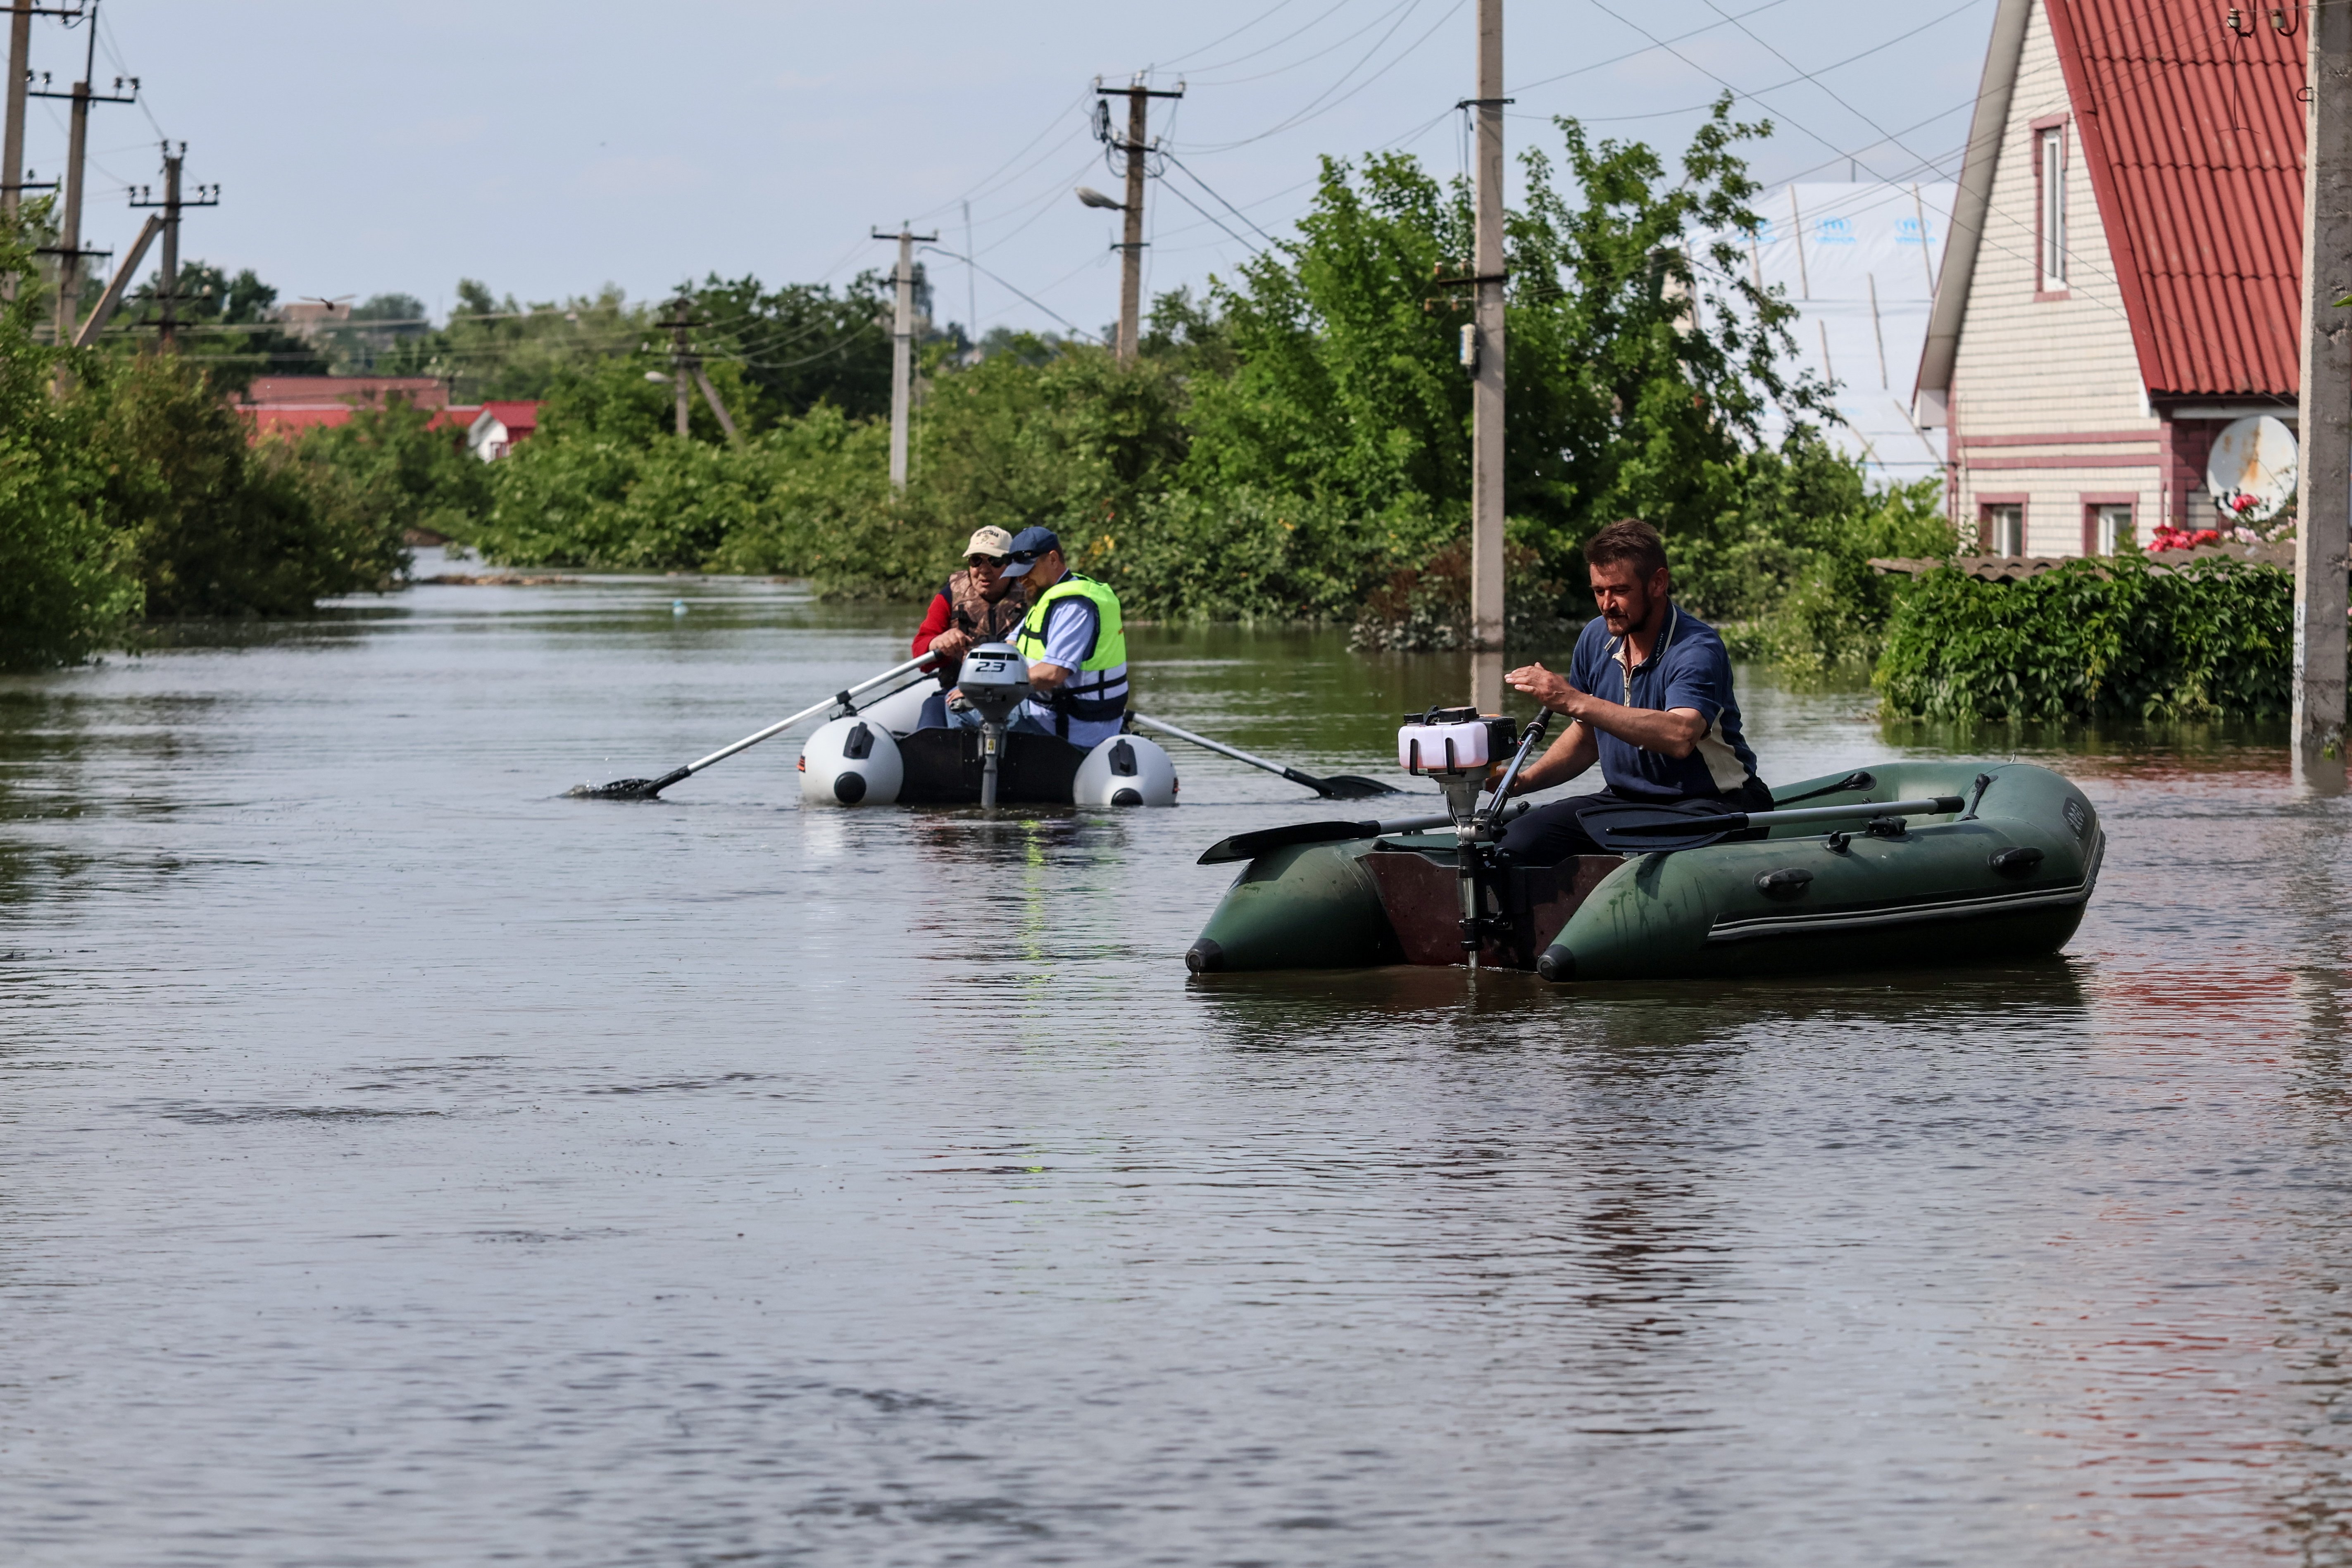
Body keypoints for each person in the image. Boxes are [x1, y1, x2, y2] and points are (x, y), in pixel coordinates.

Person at [1489, 516, 1771, 863]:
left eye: (1620, 591)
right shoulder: (1595, 638)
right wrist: (1523, 780)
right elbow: (1589, 737)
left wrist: (1575, 700)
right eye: (1598, 591)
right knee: (1517, 841)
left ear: (1658, 583)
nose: (1607, 604)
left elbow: (1681, 734)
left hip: (1714, 804)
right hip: (1628, 803)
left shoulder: (1697, 648)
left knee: (1647, 852)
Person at [996, 524, 1129, 749]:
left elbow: (1052, 674)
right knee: (954, 700)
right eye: (1018, 572)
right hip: (1050, 710)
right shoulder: (1049, 596)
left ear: (1053, 559)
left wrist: (991, 687)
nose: (1021, 579)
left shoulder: (1073, 606)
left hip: (1071, 726)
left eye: (1028, 569)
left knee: (959, 712)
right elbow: (1013, 642)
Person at [912, 527, 1028, 731]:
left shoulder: (1031, 594)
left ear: (1011, 564)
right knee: (931, 712)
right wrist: (937, 643)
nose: (984, 570)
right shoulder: (950, 595)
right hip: (955, 692)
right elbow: (920, 655)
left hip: (1020, 695)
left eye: (995, 561)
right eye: (976, 561)